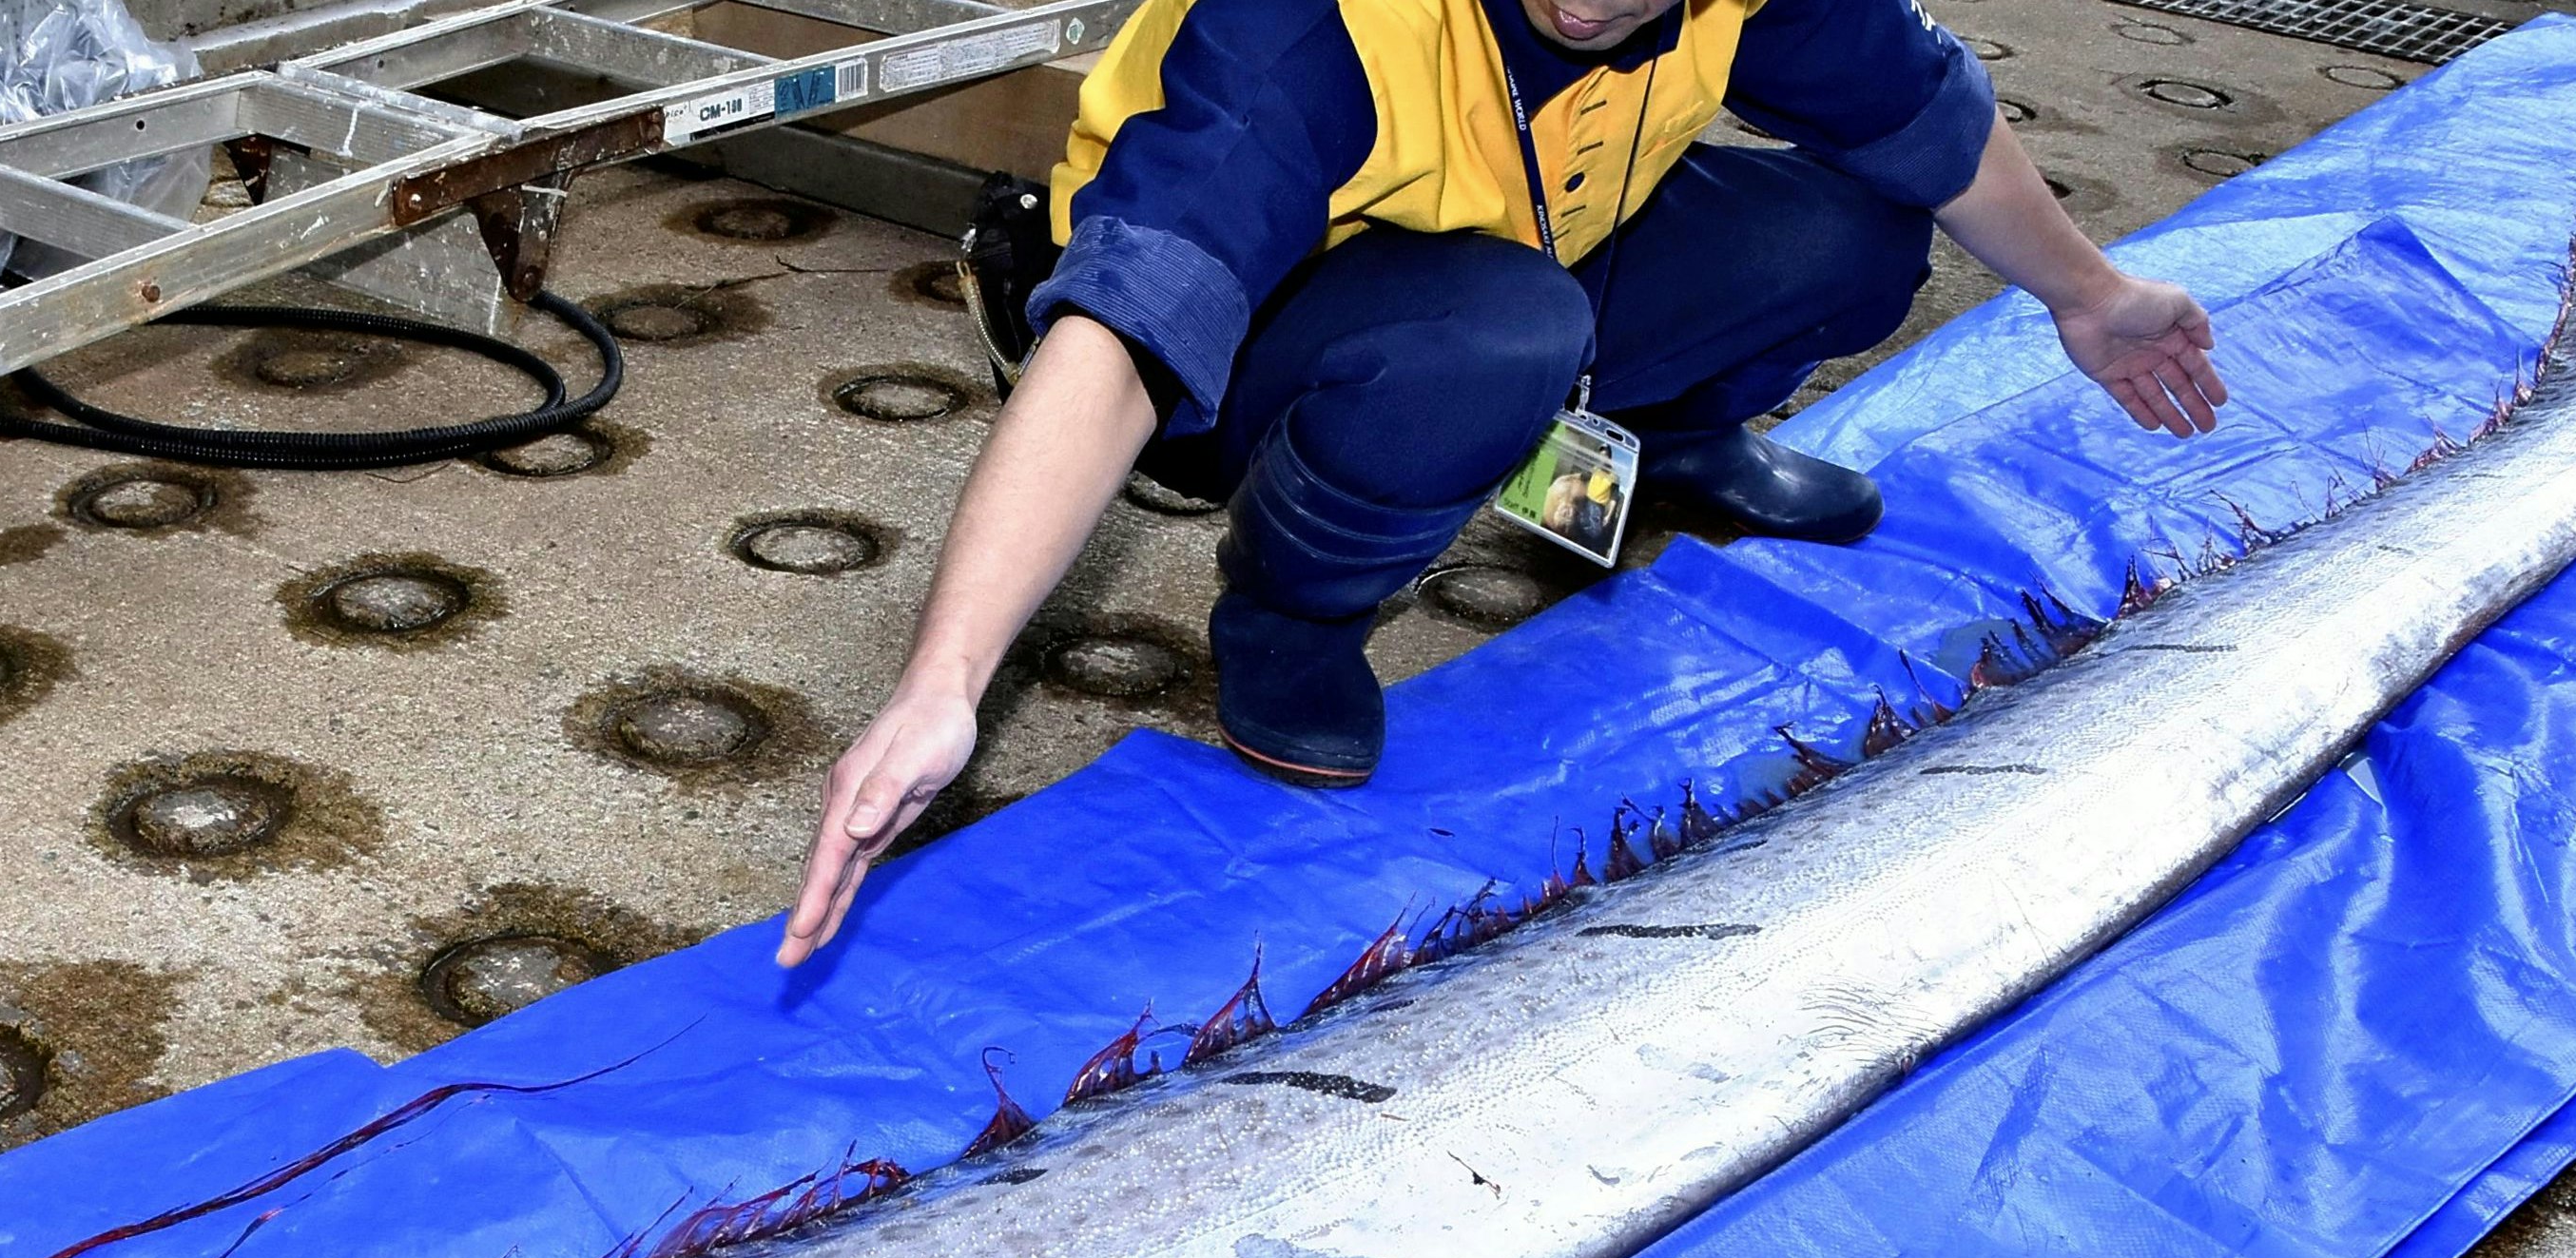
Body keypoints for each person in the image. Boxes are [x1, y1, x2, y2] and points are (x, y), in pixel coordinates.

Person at [772, 0, 2229, 969]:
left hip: (1555, 248)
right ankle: (1293, 613)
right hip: (1279, 341)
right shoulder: (1315, 26)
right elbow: (1128, 332)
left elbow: (1935, 125)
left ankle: (1676, 434)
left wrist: (2089, 298)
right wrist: (948, 677)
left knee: (1854, 237)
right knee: (1496, 332)